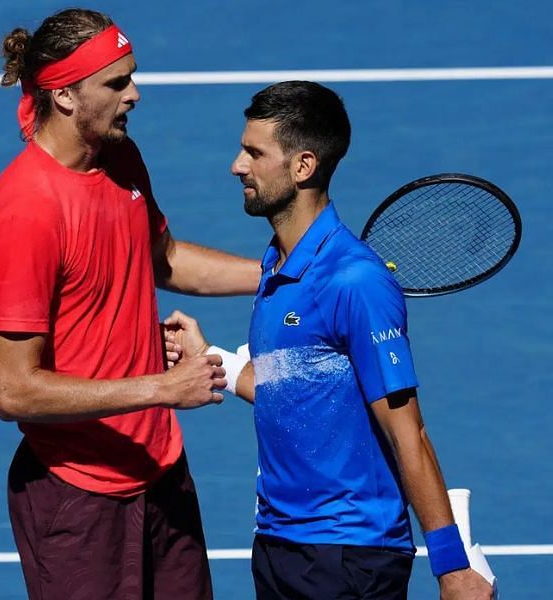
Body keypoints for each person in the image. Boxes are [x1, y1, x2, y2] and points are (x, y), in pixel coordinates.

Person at [162, 80, 493, 599]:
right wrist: (214, 359)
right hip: (278, 544)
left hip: (349, 555)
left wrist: (452, 567)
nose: (237, 165)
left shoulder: (355, 282)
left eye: (254, 152)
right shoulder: (277, 265)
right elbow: (295, 387)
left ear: (303, 166)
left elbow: (410, 434)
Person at [0, 8, 263, 599]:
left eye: (130, 76)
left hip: (160, 470)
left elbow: (162, 259)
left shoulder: (121, 158)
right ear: (64, 96)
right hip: (79, 499)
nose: (135, 93)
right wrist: (163, 387)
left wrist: (284, 274)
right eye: (116, 83)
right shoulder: (25, 213)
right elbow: (15, 390)